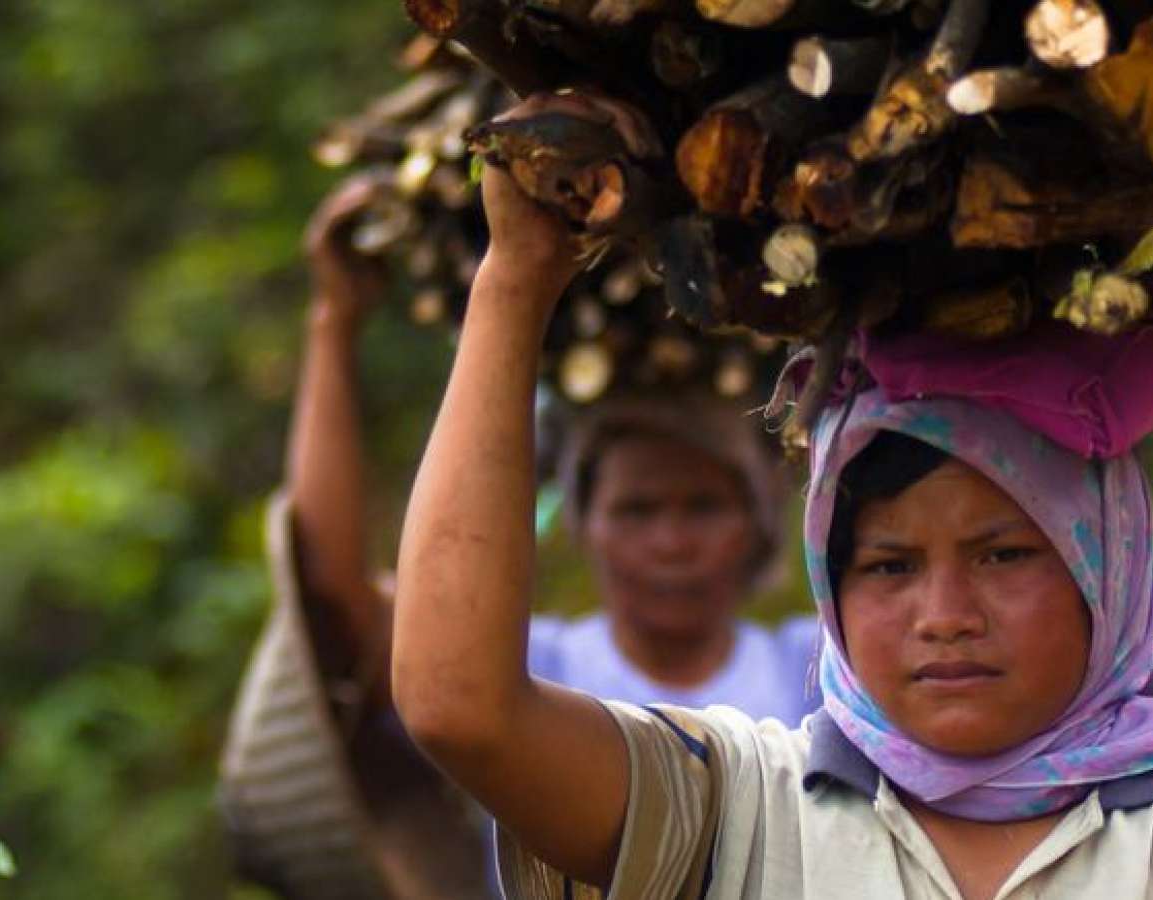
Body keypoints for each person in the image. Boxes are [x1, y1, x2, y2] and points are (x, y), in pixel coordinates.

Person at [393, 91, 1153, 899]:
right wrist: (513, 286)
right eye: (887, 565)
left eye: (1006, 553)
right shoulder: (739, 816)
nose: (944, 614)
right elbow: (460, 709)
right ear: (826, 581)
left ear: (1102, 572)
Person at [218, 172, 817, 900]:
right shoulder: (520, 668)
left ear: (757, 526)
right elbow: (331, 603)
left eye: (702, 508)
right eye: (636, 510)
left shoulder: (811, 672)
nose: (670, 541)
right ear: (584, 524)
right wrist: (334, 321)